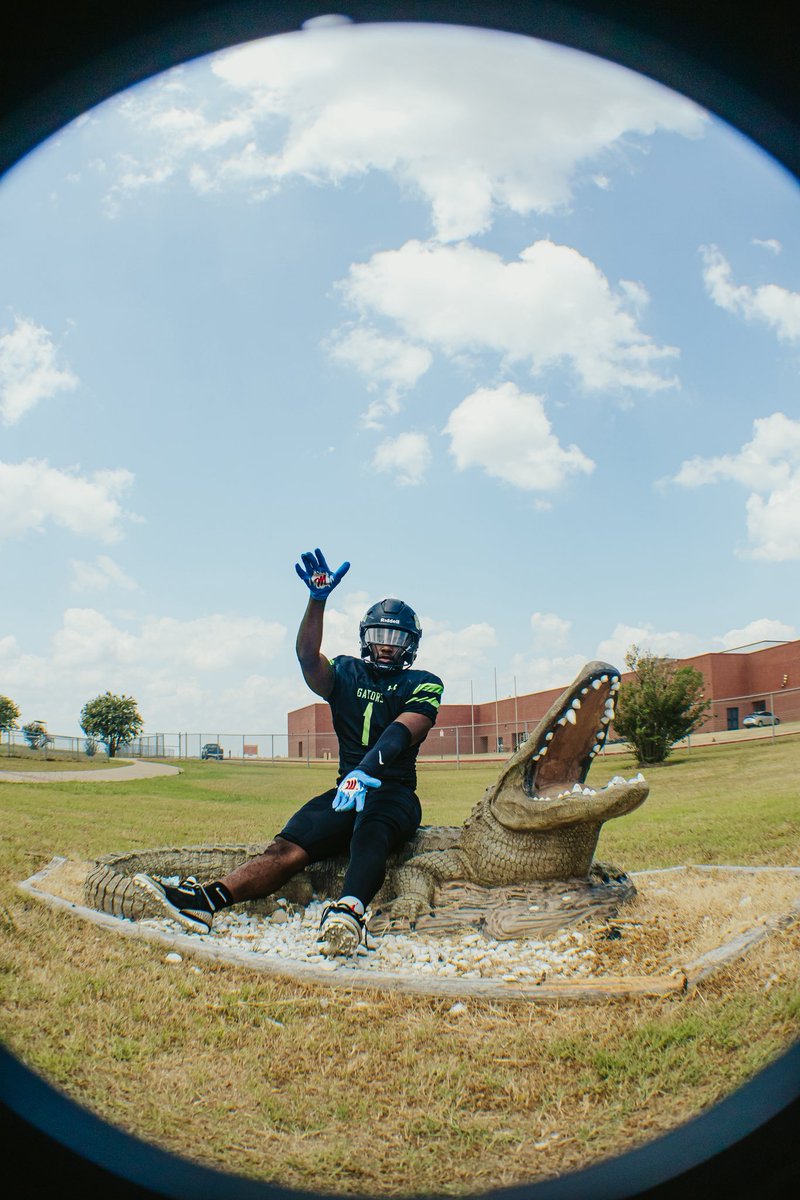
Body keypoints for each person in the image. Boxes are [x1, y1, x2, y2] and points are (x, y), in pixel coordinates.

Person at [134, 548, 444, 957]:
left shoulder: (424, 682)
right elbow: (306, 657)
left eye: (397, 638)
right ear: (366, 638)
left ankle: (348, 915)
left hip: (394, 793)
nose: (387, 647)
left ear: (411, 645)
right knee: (286, 849)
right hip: (346, 791)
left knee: (371, 829)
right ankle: (206, 902)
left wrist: (365, 771)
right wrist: (317, 602)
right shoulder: (347, 671)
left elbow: (401, 733)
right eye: (380, 637)